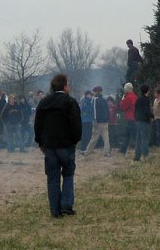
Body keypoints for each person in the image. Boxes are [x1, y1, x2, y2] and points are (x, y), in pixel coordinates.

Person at [34, 74, 82, 218]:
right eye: (68, 84)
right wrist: (76, 140)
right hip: (66, 145)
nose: (70, 86)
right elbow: (76, 124)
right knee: (68, 174)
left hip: (49, 146)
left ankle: (55, 210)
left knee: (53, 178)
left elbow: (38, 125)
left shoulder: (43, 103)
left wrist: (40, 142)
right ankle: (66, 205)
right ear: (64, 86)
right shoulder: (70, 102)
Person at [86, 86, 111, 157]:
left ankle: (87, 152)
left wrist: (94, 120)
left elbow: (94, 111)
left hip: (98, 122)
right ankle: (106, 152)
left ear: (95, 92)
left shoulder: (95, 100)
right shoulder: (104, 100)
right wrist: (107, 119)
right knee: (106, 138)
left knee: (94, 138)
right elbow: (107, 110)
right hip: (105, 121)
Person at [133, 84, 152, 161]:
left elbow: (135, 110)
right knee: (145, 138)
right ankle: (146, 155)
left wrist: (136, 119)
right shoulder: (146, 99)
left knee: (138, 139)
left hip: (138, 121)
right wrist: (153, 116)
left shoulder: (138, 99)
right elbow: (147, 111)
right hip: (144, 121)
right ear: (147, 91)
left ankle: (137, 156)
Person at [118, 83, 138, 154]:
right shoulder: (135, 96)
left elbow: (122, 107)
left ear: (126, 89)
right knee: (128, 135)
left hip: (130, 118)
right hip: (135, 117)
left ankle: (140, 149)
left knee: (133, 135)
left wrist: (122, 99)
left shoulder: (128, 97)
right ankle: (123, 150)